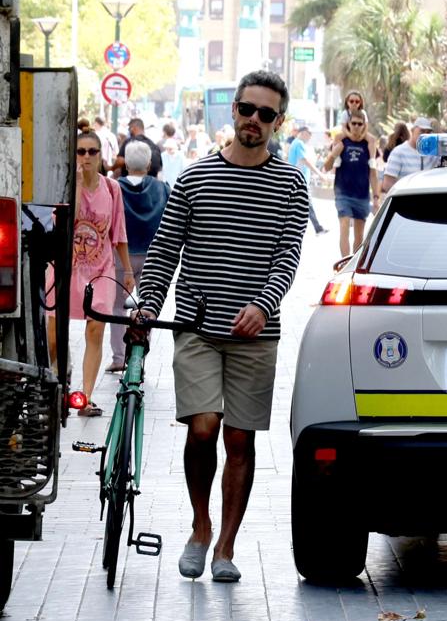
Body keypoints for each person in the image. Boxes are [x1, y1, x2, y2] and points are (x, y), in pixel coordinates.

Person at [137, 69, 308, 583]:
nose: (254, 120)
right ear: (233, 111)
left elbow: (288, 255)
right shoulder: (194, 177)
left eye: (266, 114)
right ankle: (199, 526)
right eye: (246, 110)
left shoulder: (291, 183)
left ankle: (227, 547)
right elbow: (165, 250)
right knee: (203, 427)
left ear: (278, 122)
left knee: (239, 439)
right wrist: (148, 306)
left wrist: (263, 304)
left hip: (257, 333)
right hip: (196, 325)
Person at [46, 131, 134, 417]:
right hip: (65, 267)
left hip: (101, 269)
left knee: (95, 329)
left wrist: (128, 271)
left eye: (91, 151)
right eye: (80, 151)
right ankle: (53, 388)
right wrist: (78, 183)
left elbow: (118, 232)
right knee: (53, 336)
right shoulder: (67, 184)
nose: (86, 157)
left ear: (101, 155)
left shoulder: (112, 189)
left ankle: (85, 397)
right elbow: (60, 221)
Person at [105, 141, 171, 374]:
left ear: (125, 163)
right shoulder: (162, 188)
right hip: (153, 256)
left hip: (121, 255)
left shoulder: (114, 187)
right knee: (148, 307)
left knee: (115, 307)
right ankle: (140, 354)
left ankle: (119, 357)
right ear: (149, 163)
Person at [323, 110, 378, 258]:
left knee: (359, 235)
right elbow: (327, 167)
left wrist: (377, 196)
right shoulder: (341, 141)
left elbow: (373, 172)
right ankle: (345, 263)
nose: (356, 126)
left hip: (362, 195)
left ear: (364, 125)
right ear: (348, 124)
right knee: (344, 225)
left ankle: (354, 264)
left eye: (360, 124)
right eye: (353, 123)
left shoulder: (369, 143)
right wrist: (334, 153)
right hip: (343, 193)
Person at [288, 125, 328, 235]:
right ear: (304, 132)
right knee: (307, 204)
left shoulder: (295, 143)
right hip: (300, 181)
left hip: (296, 180)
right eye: (309, 134)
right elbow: (304, 160)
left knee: (301, 205)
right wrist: (319, 174)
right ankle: (318, 228)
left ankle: (317, 228)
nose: (310, 137)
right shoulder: (299, 143)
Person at [380, 116, 438, 193]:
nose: (425, 135)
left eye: (428, 132)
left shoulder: (433, 154)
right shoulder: (399, 152)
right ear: (412, 131)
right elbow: (387, 184)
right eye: (422, 131)